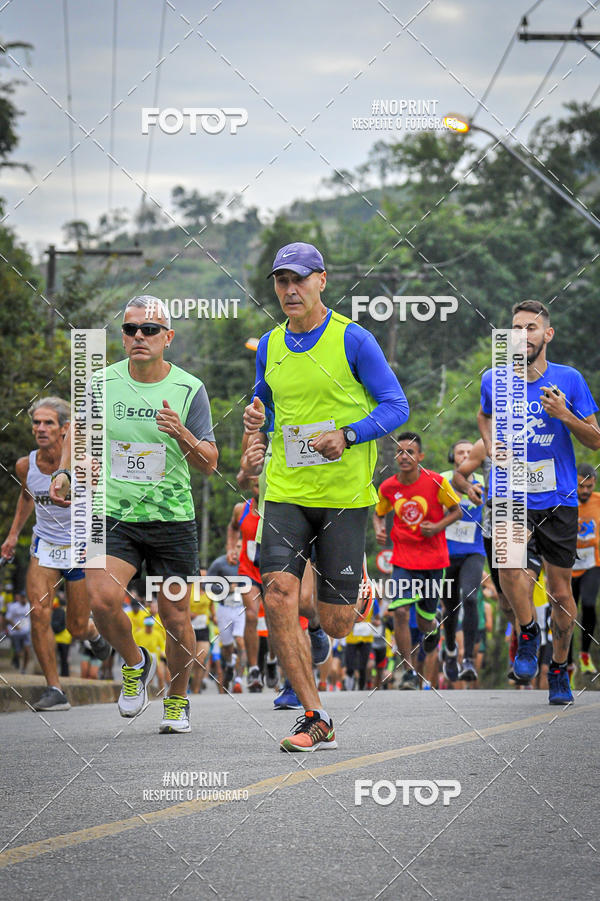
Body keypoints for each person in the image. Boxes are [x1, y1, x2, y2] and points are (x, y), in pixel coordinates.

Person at [243, 242, 409, 751]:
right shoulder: (270, 346)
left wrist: (351, 434)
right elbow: (266, 408)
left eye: (299, 280)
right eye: (281, 281)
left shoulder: (353, 340)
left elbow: (396, 406)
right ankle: (315, 716)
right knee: (276, 592)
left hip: (343, 496)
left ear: (321, 280)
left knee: (336, 625)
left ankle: (351, 593)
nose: (290, 290)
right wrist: (255, 428)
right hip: (287, 491)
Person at [50, 296, 218, 732]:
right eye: (130, 330)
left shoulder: (188, 388)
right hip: (114, 513)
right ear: (123, 337)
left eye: (148, 329)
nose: (138, 336)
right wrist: (66, 472)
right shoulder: (99, 384)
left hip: (171, 519)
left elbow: (210, 462)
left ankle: (177, 701)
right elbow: (77, 436)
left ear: (168, 337)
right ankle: (135, 662)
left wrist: (181, 433)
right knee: (102, 601)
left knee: (176, 617)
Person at [478, 300, 600, 705]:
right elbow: (484, 415)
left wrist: (565, 414)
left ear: (547, 335)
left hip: (558, 496)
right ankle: (528, 632)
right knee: (509, 564)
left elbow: (595, 439)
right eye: (515, 328)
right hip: (509, 489)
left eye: (531, 328)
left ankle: (560, 667)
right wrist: (491, 443)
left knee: (563, 593)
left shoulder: (570, 379)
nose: (522, 336)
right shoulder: (493, 379)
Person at [1, 397, 110, 711]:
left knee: (75, 627)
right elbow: (27, 497)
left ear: (65, 429)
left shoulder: (85, 464)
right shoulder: (26, 464)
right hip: (44, 546)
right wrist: (12, 535)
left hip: (80, 548)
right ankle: (54, 689)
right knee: (38, 614)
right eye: (36, 422)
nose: (40, 428)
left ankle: (93, 633)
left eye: (48, 422)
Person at [374, 432, 462, 689]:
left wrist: (437, 527)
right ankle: (409, 670)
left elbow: (457, 510)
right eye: (400, 452)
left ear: (420, 457)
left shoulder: (436, 482)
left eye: (410, 452)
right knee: (400, 611)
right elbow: (379, 513)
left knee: (424, 622)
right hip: (403, 560)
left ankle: (433, 627)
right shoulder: (388, 487)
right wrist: (379, 528)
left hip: (434, 562)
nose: (404, 456)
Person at [440, 439, 486, 683]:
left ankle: (468, 658)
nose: (466, 455)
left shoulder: (484, 480)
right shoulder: (442, 478)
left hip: (474, 550)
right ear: (452, 456)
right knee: (450, 607)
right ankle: (449, 650)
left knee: (470, 597)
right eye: (460, 452)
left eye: (470, 452)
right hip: (445, 553)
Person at [227, 481, 264, 691]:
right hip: (248, 571)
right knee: (251, 615)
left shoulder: (278, 509)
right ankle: (254, 668)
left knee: (277, 618)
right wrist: (231, 548)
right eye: (256, 485)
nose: (259, 489)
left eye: (262, 485)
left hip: (272, 571)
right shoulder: (241, 509)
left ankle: (272, 660)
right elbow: (232, 528)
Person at [571, 463, 600, 676]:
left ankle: (584, 655)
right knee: (568, 612)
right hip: (568, 564)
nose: (585, 491)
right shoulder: (565, 502)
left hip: (593, 562)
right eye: (581, 486)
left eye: (589, 486)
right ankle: (567, 664)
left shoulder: (598, 501)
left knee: (589, 604)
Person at [207, 543, 247, 694]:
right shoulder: (219, 563)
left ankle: (237, 681)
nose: (237, 549)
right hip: (223, 608)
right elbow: (207, 584)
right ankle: (229, 664)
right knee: (228, 646)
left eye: (240, 546)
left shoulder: (245, 563)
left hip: (240, 608)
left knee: (240, 641)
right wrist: (225, 588)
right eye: (235, 546)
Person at [5, 592, 31, 672]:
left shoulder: (29, 606)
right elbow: (7, 618)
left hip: (26, 632)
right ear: (20, 598)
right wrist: (15, 626)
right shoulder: (13, 607)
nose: (24, 599)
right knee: (18, 652)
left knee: (27, 651)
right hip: (16, 633)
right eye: (22, 597)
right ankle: (16, 658)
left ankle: (24, 669)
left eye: (25, 597)